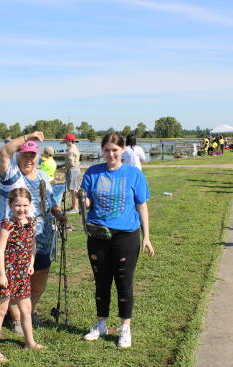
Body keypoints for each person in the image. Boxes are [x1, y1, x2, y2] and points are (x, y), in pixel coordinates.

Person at [80, 132, 155, 349]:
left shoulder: (133, 174)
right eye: (107, 150)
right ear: (101, 151)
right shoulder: (93, 172)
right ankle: (101, 324)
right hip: (97, 235)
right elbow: (87, 203)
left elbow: (142, 206)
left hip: (126, 236)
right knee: (101, 281)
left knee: (124, 282)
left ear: (122, 150)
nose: (111, 154)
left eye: (115, 150)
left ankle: (125, 328)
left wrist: (147, 237)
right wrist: (81, 197)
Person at [0, 133, 66, 334]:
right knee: (14, 279)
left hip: (40, 234)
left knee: (40, 273)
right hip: (12, 237)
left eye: (32, 155)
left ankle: (28, 312)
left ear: (38, 156)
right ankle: (16, 320)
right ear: (18, 155)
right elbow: (4, 151)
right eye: (25, 154)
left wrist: (59, 215)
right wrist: (28, 136)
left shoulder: (42, 175)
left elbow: (51, 201)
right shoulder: (10, 174)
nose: (29, 159)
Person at [0, 187, 45, 363]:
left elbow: (32, 245)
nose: (21, 209)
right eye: (17, 205)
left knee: (26, 308)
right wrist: (2, 275)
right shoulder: (7, 225)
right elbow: (0, 251)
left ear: (30, 205)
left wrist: (31, 263)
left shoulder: (31, 222)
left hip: (22, 272)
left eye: (25, 205)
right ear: (10, 205)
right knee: (2, 309)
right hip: (7, 272)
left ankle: (30, 341)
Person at [64, 133, 81, 213]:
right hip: (76, 169)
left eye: (66, 141)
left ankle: (75, 208)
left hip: (73, 170)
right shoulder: (74, 148)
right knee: (74, 188)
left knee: (74, 189)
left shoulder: (71, 150)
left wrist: (65, 168)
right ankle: (74, 206)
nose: (66, 142)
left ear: (70, 141)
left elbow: (71, 163)